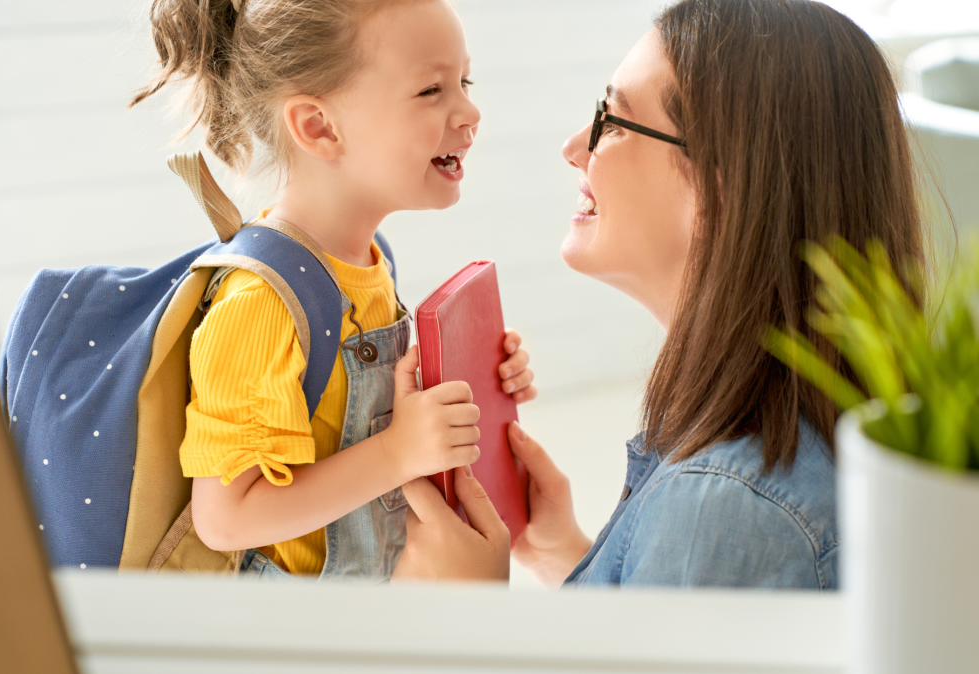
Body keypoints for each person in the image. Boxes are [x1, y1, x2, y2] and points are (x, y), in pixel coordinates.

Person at [392, 0, 926, 589]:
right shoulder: (781, 451)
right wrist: (561, 553)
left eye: (613, 122)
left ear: (720, 191)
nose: (575, 147)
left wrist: (466, 603)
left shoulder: (723, 508)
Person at [130, 0, 537, 579]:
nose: (470, 111)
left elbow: (340, 420)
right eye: (431, 90)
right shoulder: (260, 303)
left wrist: (461, 385)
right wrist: (398, 450)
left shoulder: (368, 260)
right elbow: (226, 519)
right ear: (319, 127)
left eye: (464, 83)